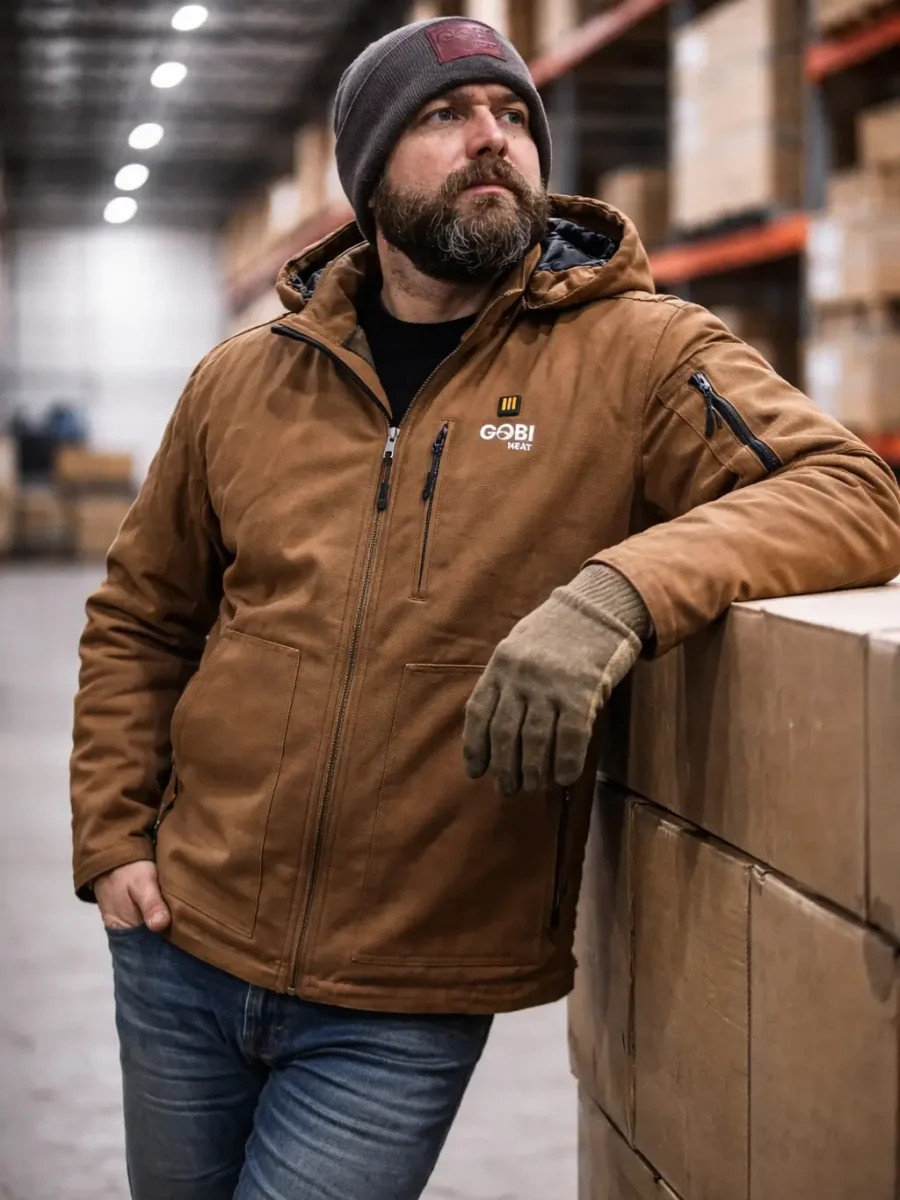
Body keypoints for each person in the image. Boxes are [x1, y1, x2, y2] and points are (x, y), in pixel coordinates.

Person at [70, 15, 900, 1200]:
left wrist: (621, 590)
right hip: (179, 944)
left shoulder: (641, 357)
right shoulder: (244, 382)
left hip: (405, 992)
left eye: (513, 117)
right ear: (367, 175)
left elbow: (852, 492)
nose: (492, 140)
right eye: (445, 117)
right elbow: (141, 619)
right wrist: (111, 838)